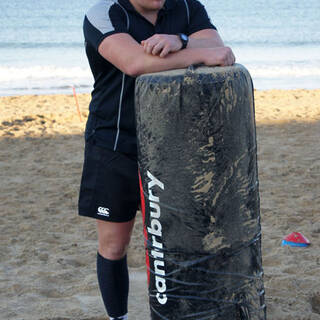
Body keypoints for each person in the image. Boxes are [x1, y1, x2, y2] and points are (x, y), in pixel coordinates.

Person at [78, 0, 235, 319]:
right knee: (113, 246)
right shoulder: (104, 14)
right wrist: (200, 52)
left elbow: (216, 44)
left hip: (174, 145)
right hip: (114, 144)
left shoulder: (187, 7)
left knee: (181, 244)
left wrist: (181, 39)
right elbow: (134, 62)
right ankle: (117, 317)